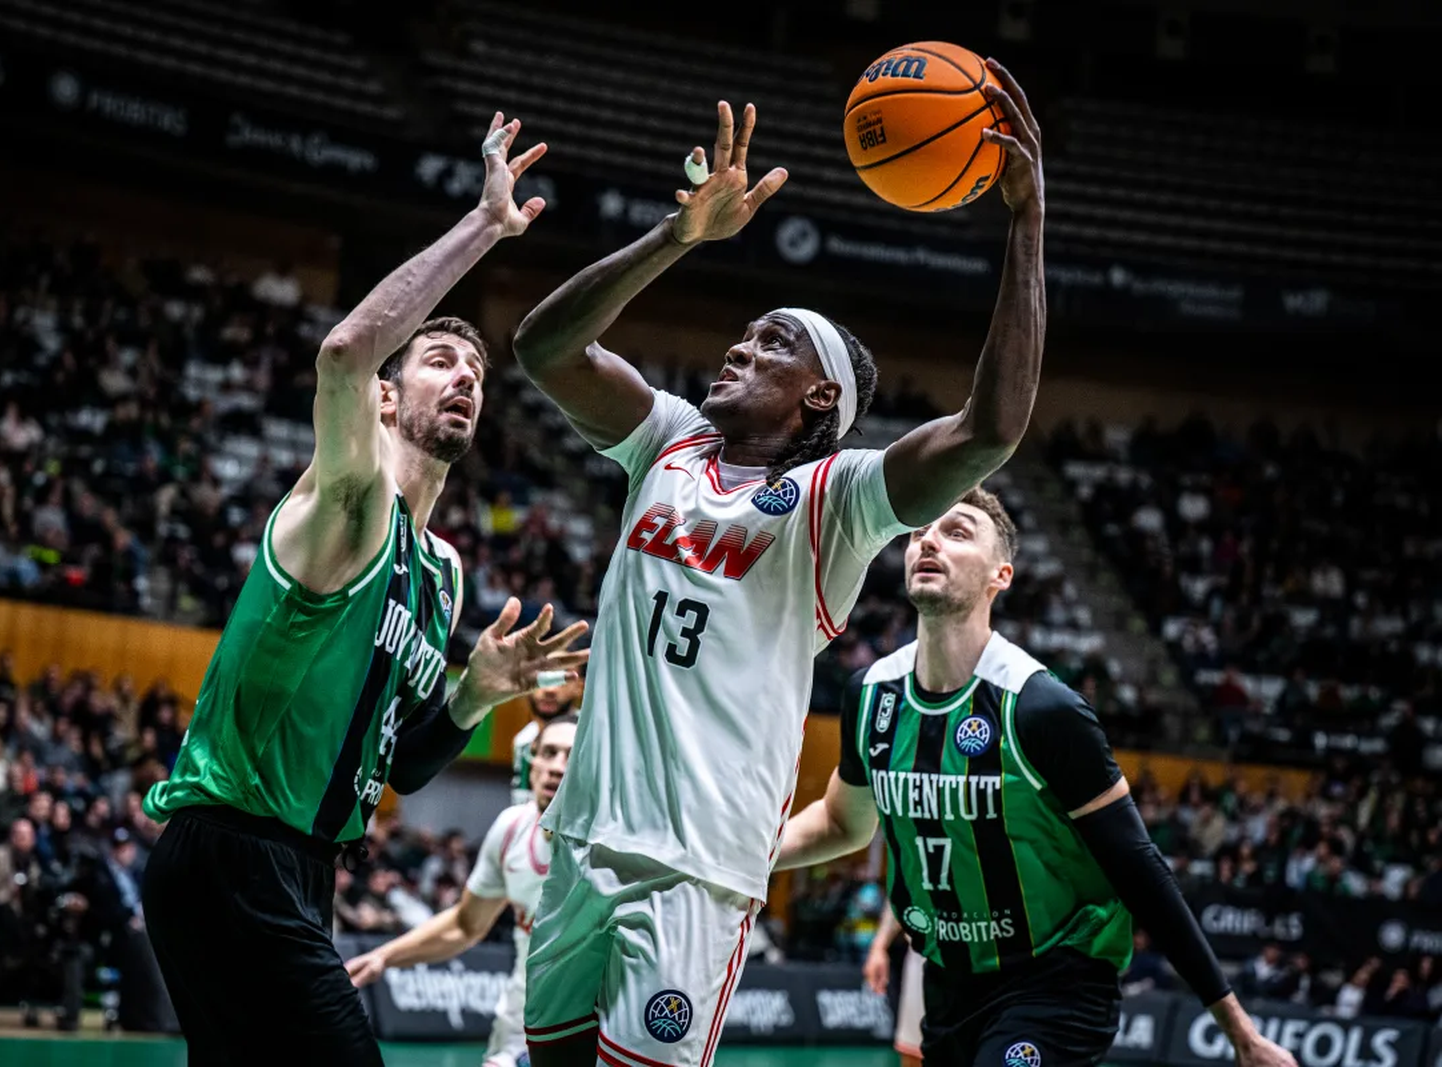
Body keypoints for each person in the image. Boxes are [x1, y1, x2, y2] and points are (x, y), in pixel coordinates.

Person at [513, 61, 1047, 1067]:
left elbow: (989, 431)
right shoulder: (665, 440)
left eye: (769, 344)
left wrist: (1023, 224)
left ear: (817, 399)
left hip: (693, 868)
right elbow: (543, 349)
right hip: (579, 842)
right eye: (745, 333)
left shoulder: (835, 500)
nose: (737, 347)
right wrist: (674, 237)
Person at [139, 112, 589, 1066]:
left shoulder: (446, 570)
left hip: (301, 868)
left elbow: (405, 766)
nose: (464, 377)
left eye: (475, 370)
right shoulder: (350, 498)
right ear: (389, 397)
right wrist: (484, 224)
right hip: (230, 848)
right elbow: (343, 351)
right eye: (438, 360)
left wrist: (475, 692)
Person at [774, 489, 1297, 1067]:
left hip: (1056, 980)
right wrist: (741, 854)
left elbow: (1138, 867)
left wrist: (1240, 1031)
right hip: (949, 981)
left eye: (957, 531)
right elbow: (842, 823)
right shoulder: (870, 696)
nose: (927, 539)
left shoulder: (1041, 708)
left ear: (1002, 576)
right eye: (920, 530)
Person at [345, 713, 578, 1067]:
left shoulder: (609, 845)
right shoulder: (512, 827)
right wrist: (384, 957)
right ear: (532, 759)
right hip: (519, 1024)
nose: (556, 767)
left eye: (570, 756)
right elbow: (466, 925)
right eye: (548, 753)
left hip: (585, 1030)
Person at [864, 906, 924, 1067]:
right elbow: (901, 887)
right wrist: (879, 946)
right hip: (925, 956)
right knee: (914, 1056)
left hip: (987, 961)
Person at [510, 678, 579, 805]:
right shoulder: (523, 740)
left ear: (580, 686)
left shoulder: (591, 738)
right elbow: (521, 800)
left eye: (563, 677)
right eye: (542, 676)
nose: (549, 689)